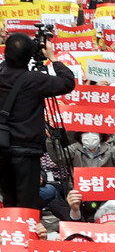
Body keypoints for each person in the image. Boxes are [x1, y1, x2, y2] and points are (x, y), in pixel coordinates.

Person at [0, 32, 77, 209]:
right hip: (26, 153)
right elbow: (67, 82)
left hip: (2, 149)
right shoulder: (34, 80)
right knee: (27, 204)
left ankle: (10, 234)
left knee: (9, 200)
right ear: (29, 56)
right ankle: (26, 233)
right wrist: (52, 57)